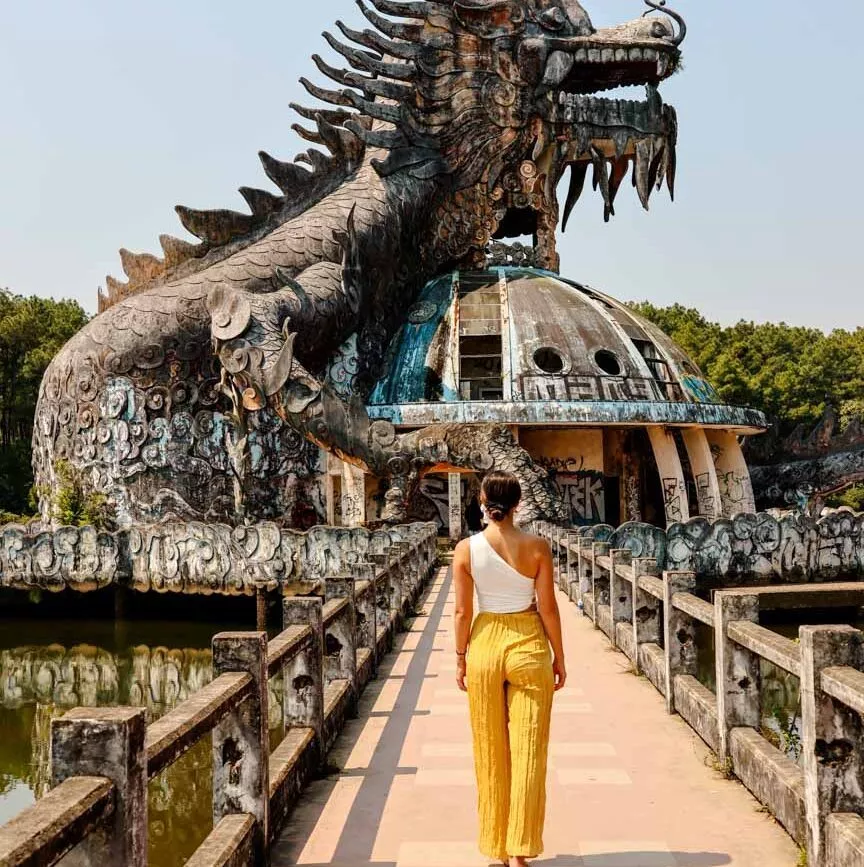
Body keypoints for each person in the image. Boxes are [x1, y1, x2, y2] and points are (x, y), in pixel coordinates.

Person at [452, 470, 567, 867]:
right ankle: (520, 849)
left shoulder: (465, 549)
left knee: (489, 749)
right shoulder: (537, 547)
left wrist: (460, 657)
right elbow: (548, 608)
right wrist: (560, 656)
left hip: (484, 645)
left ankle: (496, 846)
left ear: (483, 503)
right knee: (529, 749)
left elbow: (462, 611)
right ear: (519, 503)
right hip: (528, 645)